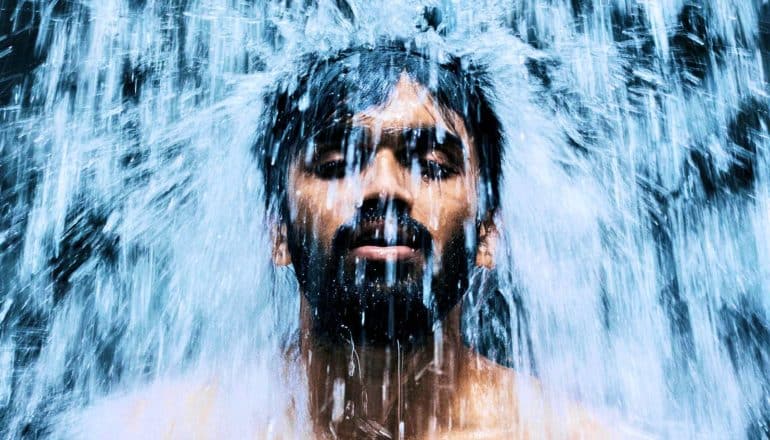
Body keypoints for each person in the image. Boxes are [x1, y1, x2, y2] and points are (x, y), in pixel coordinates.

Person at [64, 41, 622, 439]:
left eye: (430, 164)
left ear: (489, 231)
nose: (382, 188)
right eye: (336, 164)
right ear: (277, 229)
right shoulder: (156, 429)